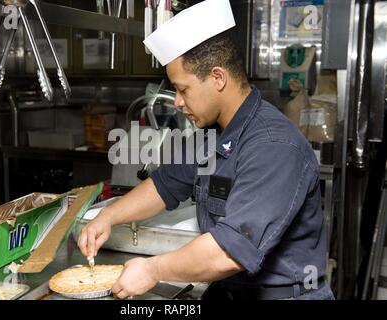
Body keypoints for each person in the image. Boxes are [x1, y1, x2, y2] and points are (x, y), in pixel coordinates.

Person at [78, 0, 335, 300]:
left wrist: (153, 270)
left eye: (182, 89)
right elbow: (165, 185)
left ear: (218, 78)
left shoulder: (273, 145)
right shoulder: (213, 134)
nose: (176, 101)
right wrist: (107, 217)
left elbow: (229, 252)